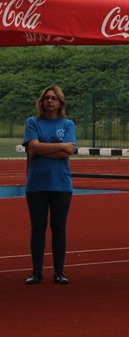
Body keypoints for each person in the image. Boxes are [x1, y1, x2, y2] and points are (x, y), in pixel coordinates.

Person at [23, 85, 77, 285]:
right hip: (36, 184)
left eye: (54, 98)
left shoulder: (68, 124)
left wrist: (41, 149)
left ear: (60, 102)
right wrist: (60, 147)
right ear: (42, 101)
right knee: (38, 228)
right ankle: (37, 272)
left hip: (61, 184)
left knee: (59, 228)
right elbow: (33, 147)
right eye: (47, 98)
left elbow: (68, 151)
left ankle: (59, 272)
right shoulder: (33, 122)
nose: (50, 101)